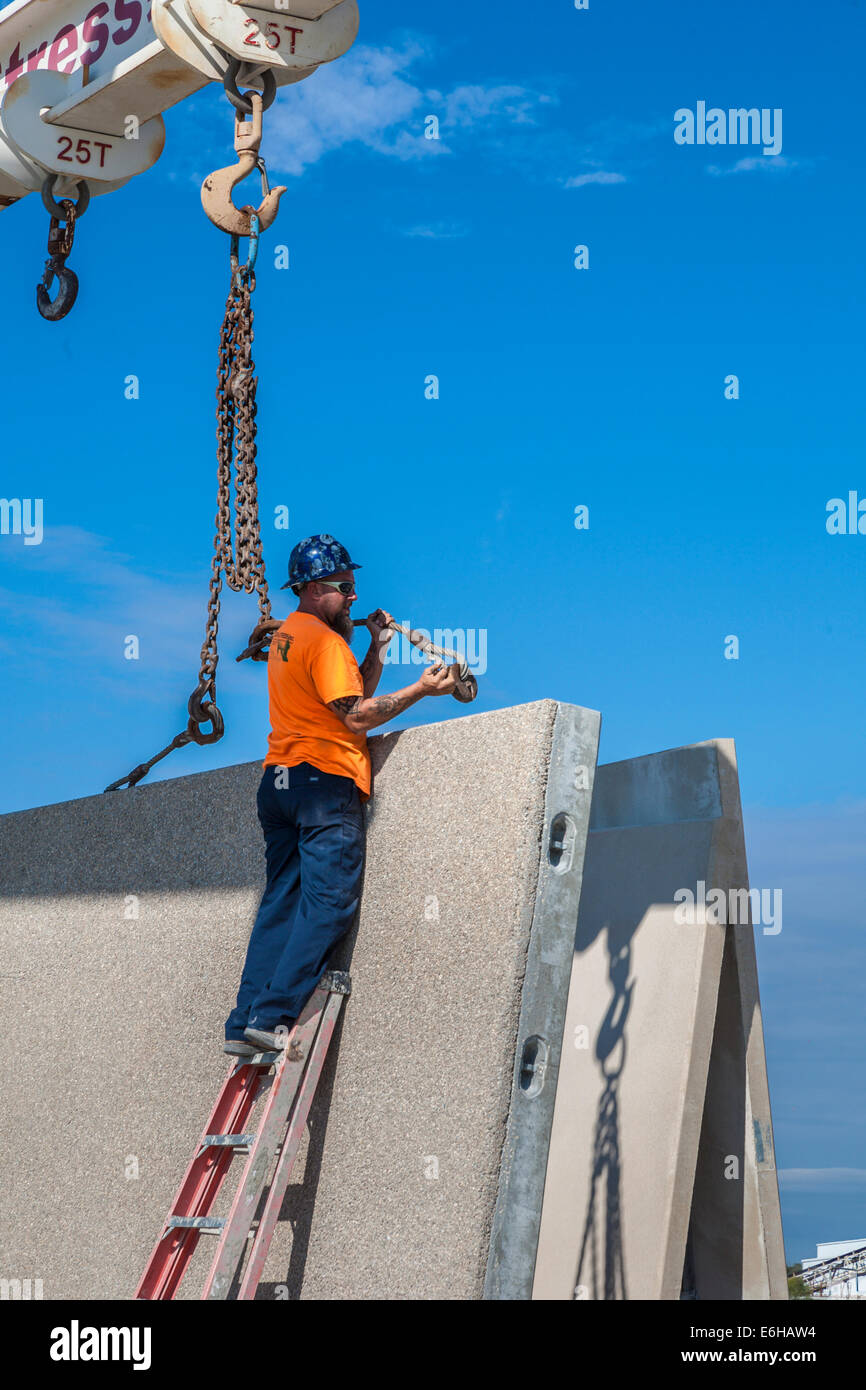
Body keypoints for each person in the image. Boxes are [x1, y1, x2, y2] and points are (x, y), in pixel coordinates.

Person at [225, 533, 458, 1054]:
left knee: (281, 905)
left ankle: (243, 1020)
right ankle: (274, 1014)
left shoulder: (290, 636)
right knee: (329, 902)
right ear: (311, 589)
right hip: (323, 782)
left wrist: (374, 649)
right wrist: (422, 689)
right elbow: (354, 716)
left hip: (280, 783)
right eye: (344, 587)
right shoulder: (325, 643)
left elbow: (352, 695)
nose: (354, 596)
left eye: (353, 586)